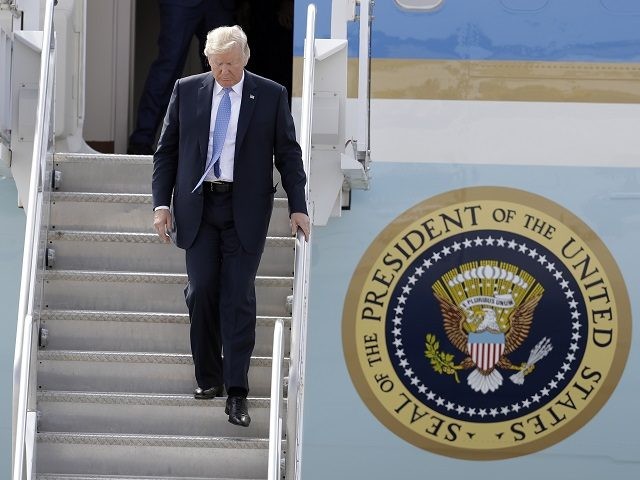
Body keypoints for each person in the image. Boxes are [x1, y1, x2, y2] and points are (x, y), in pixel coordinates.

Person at [152, 25, 310, 427]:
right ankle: (208, 378)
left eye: (233, 64)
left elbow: (288, 154)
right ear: (208, 61)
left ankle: (237, 392)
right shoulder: (187, 91)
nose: (225, 72)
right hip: (198, 207)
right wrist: (161, 206)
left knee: (237, 297)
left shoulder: (270, 94)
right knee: (202, 291)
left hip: (245, 209)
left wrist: (298, 205)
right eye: (219, 64)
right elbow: (166, 151)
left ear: (246, 58)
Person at [128, 0, 235, 155]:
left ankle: (224, 142)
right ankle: (141, 140)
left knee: (225, 67)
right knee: (168, 66)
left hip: (219, 5)